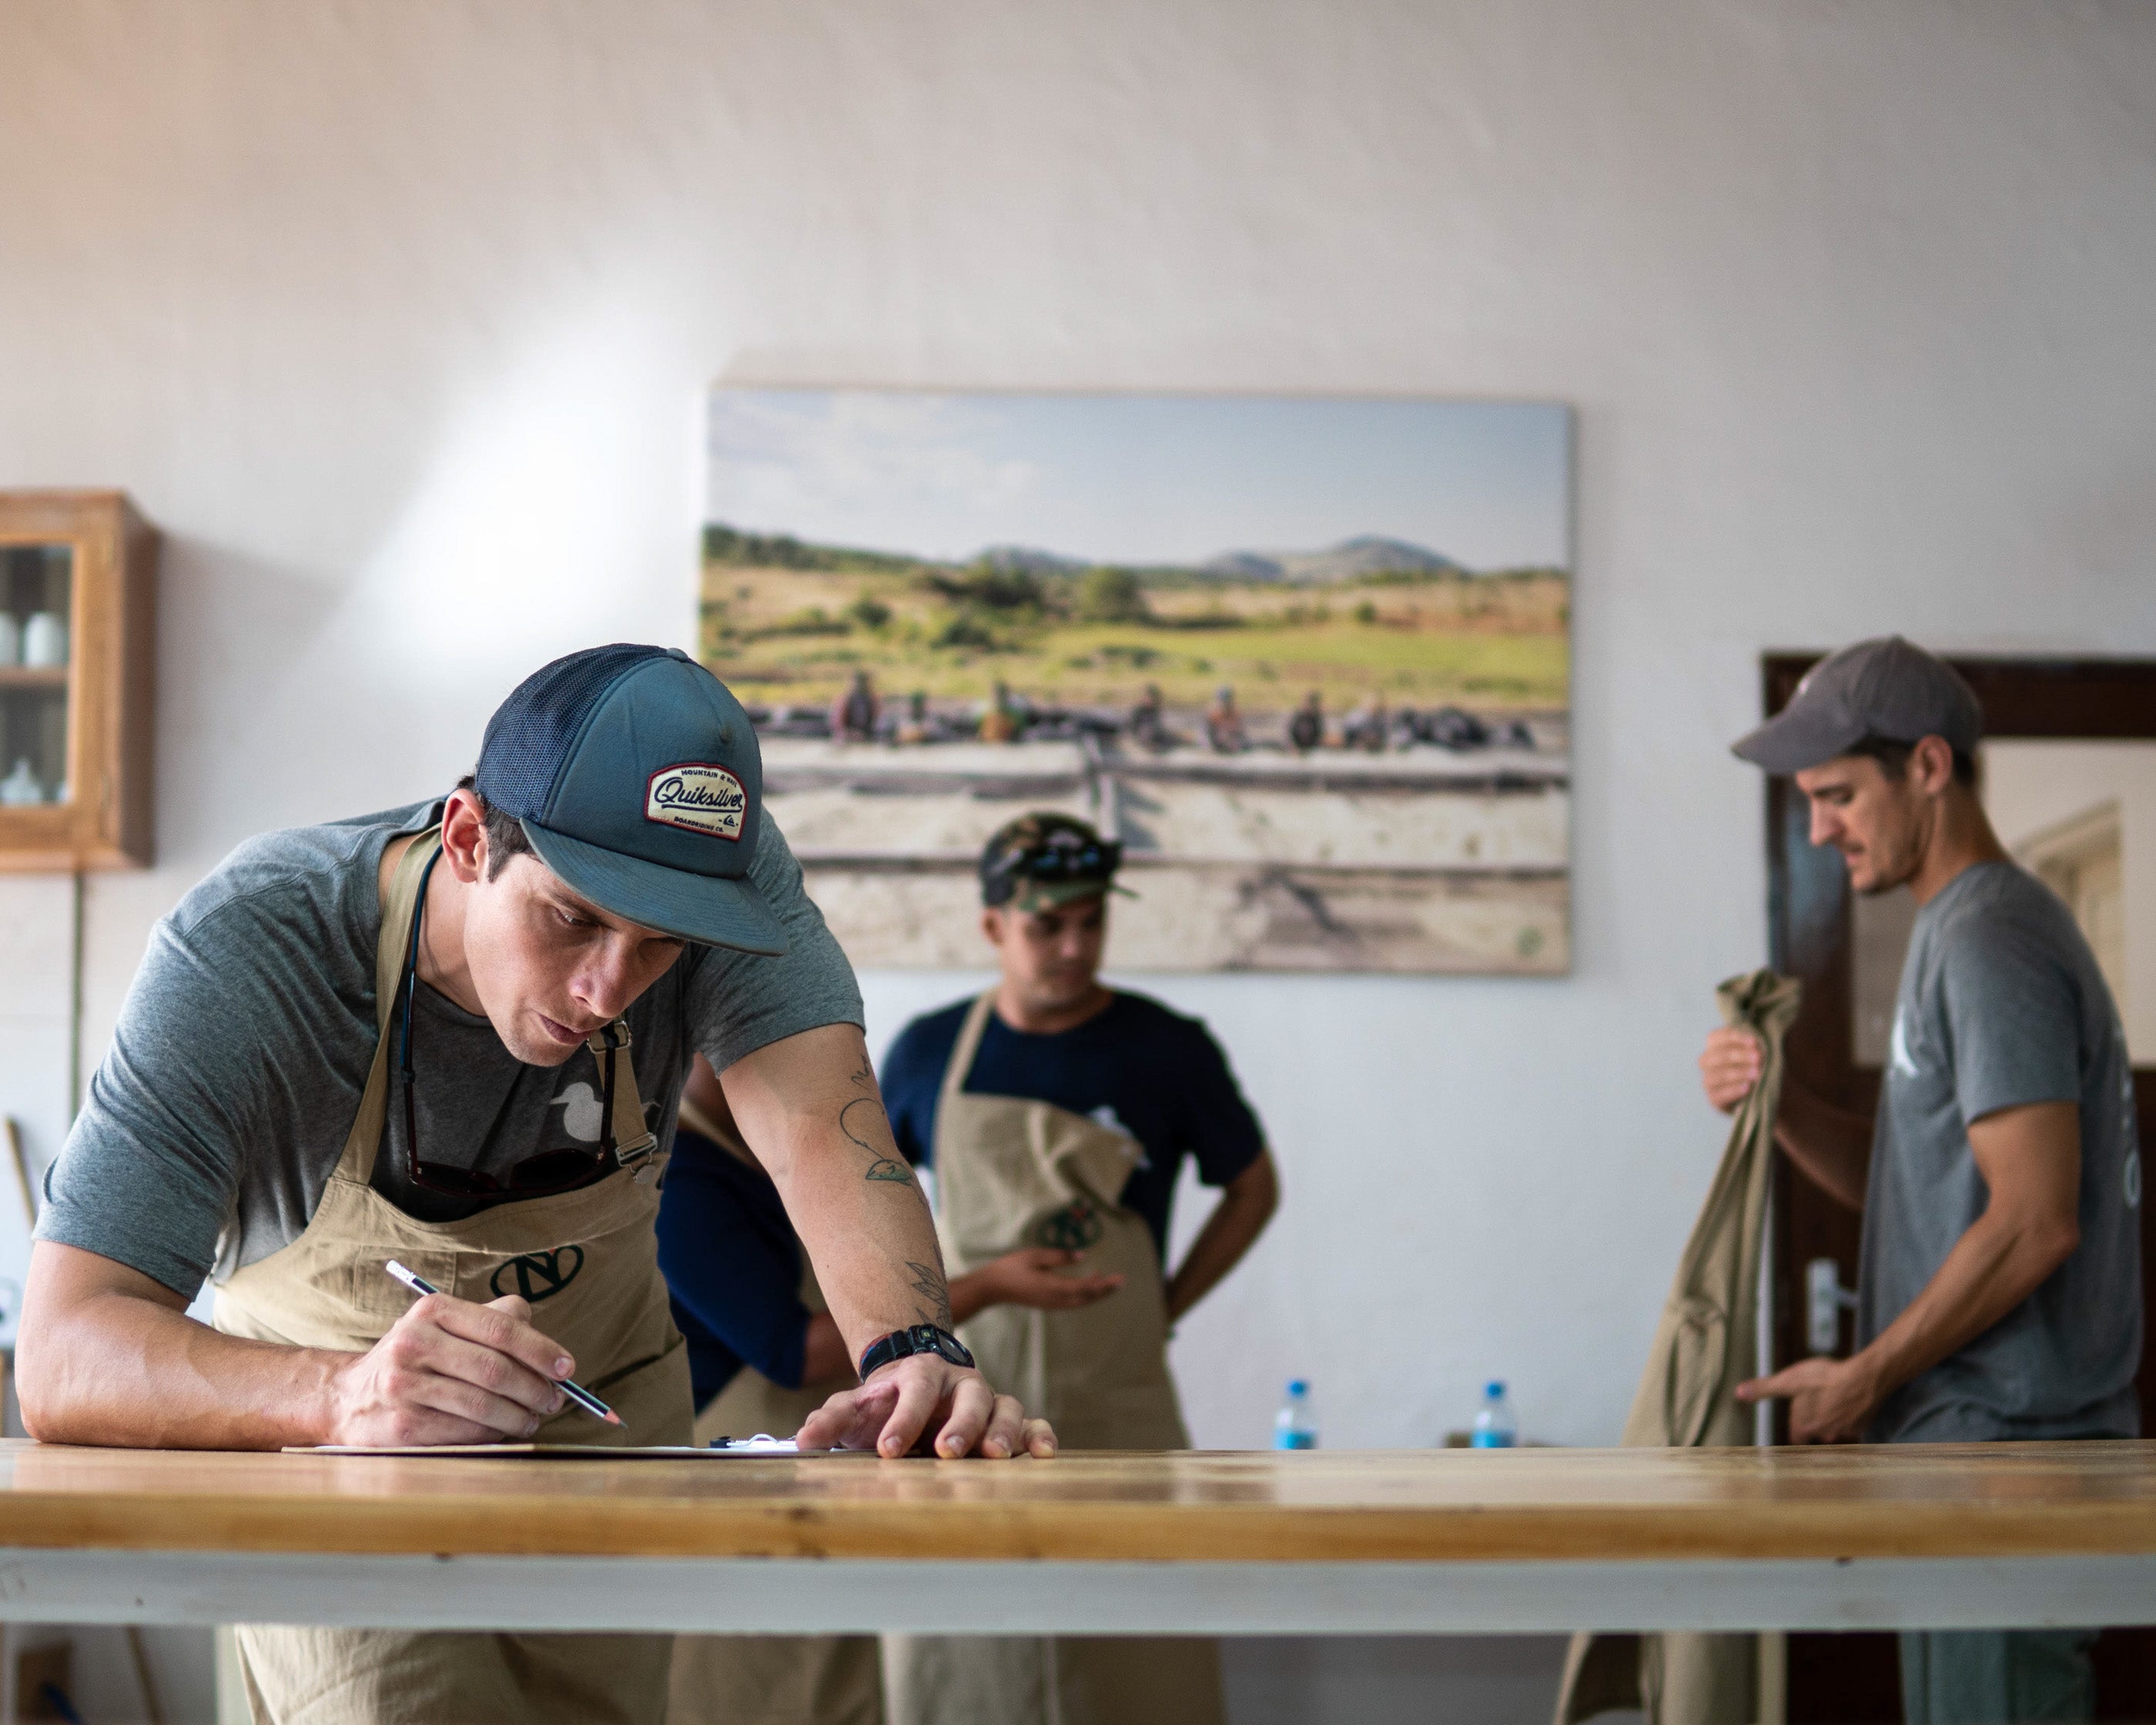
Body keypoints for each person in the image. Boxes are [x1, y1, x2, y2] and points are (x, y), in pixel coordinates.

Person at [15, 644, 1053, 1725]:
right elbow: (64, 1352)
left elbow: (825, 1131)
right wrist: (344, 1395)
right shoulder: (254, 953)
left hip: (608, 1426)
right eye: (573, 918)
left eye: (660, 948)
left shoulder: (721, 887)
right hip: (346, 1445)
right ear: (468, 839)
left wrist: (912, 1350)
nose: (611, 989)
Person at [1702, 635, 2141, 1725]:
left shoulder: (1991, 935)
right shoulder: (1953, 932)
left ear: (1930, 769)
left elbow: (2035, 1221)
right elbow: (1925, 1188)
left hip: (2009, 1458)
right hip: (1969, 1455)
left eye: (1841, 795)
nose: (1819, 829)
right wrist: (1780, 1103)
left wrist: (1865, 1374)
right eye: (1809, 800)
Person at [877, 812, 1280, 1725]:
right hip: (962, 1409)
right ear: (991, 926)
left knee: (1140, 1654)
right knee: (965, 1653)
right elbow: (873, 1203)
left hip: (1119, 1403)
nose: (1073, 945)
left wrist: (1163, 1306)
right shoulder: (927, 1051)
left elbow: (1253, 1187)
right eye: (1044, 925)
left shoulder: (1168, 1048)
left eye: (1090, 921)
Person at [661, 1055, 1121, 1725]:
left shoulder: (800, 1153)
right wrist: (988, 1286)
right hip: (742, 1471)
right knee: (761, 1682)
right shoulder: (681, 1178)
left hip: (827, 1465)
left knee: (837, 1670)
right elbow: (789, 1351)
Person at [830, 669, 879, 742]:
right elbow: (838, 726)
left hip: (866, 736)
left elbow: (877, 722)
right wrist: (851, 734)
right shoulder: (845, 700)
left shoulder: (872, 700)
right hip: (847, 736)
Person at [1204, 685, 1244, 753]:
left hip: (1231, 742)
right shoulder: (1212, 714)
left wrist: (1236, 743)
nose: (1226, 703)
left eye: (1228, 700)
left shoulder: (1235, 713)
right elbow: (1205, 734)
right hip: (1215, 742)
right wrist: (1210, 747)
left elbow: (1240, 733)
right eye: (1224, 700)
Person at [1287, 690, 1324, 754]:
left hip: (1312, 751)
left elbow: (1319, 736)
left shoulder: (1317, 719)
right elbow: (1288, 734)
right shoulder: (1297, 717)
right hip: (1295, 750)